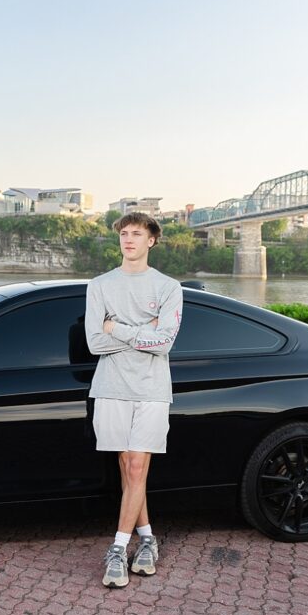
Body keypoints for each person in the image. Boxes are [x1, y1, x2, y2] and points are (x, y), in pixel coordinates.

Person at [85, 211, 183, 588]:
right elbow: (95, 342)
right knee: (128, 469)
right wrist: (143, 331)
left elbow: (165, 343)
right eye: (124, 233)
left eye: (136, 234)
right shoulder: (100, 285)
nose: (129, 239)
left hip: (152, 389)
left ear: (151, 240)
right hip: (110, 386)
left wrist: (117, 327)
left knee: (138, 467)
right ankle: (147, 540)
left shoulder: (168, 287)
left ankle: (117, 549)